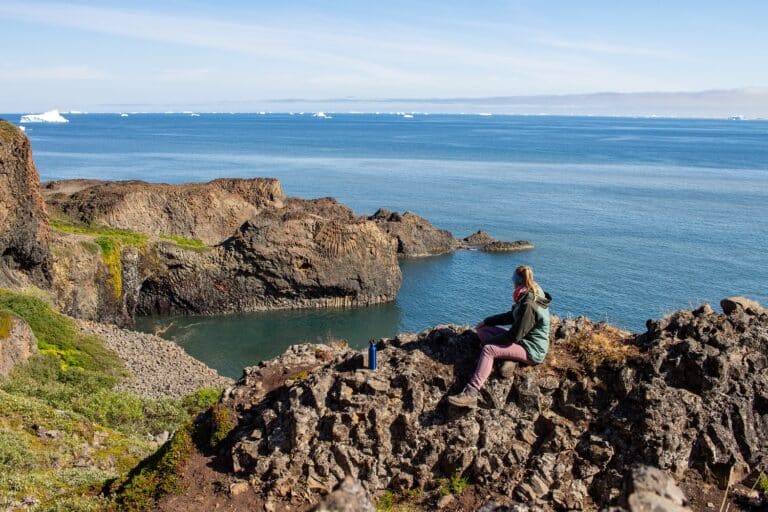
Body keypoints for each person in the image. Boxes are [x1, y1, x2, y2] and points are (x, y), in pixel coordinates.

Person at [448, 265, 552, 408]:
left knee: (488, 350)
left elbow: (514, 336)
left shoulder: (529, 303)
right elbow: (512, 316)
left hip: (532, 349)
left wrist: (488, 343)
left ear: (518, 281)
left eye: (513, 279)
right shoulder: (530, 291)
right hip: (522, 340)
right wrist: (487, 321)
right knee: (483, 330)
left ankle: (471, 393)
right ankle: (510, 358)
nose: (512, 282)